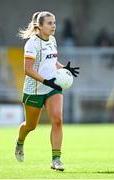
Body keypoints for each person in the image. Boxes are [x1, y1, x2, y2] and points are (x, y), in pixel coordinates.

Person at [15, 11, 80, 171]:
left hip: (53, 88)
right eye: (50, 23)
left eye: (54, 23)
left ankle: (56, 160)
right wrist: (46, 81)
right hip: (34, 89)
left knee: (57, 120)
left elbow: (51, 60)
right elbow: (27, 69)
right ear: (40, 26)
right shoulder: (32, 44)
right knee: (30, 126)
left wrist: (64, 68)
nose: (54, 26)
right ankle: (20, 141)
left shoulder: (53, 40)